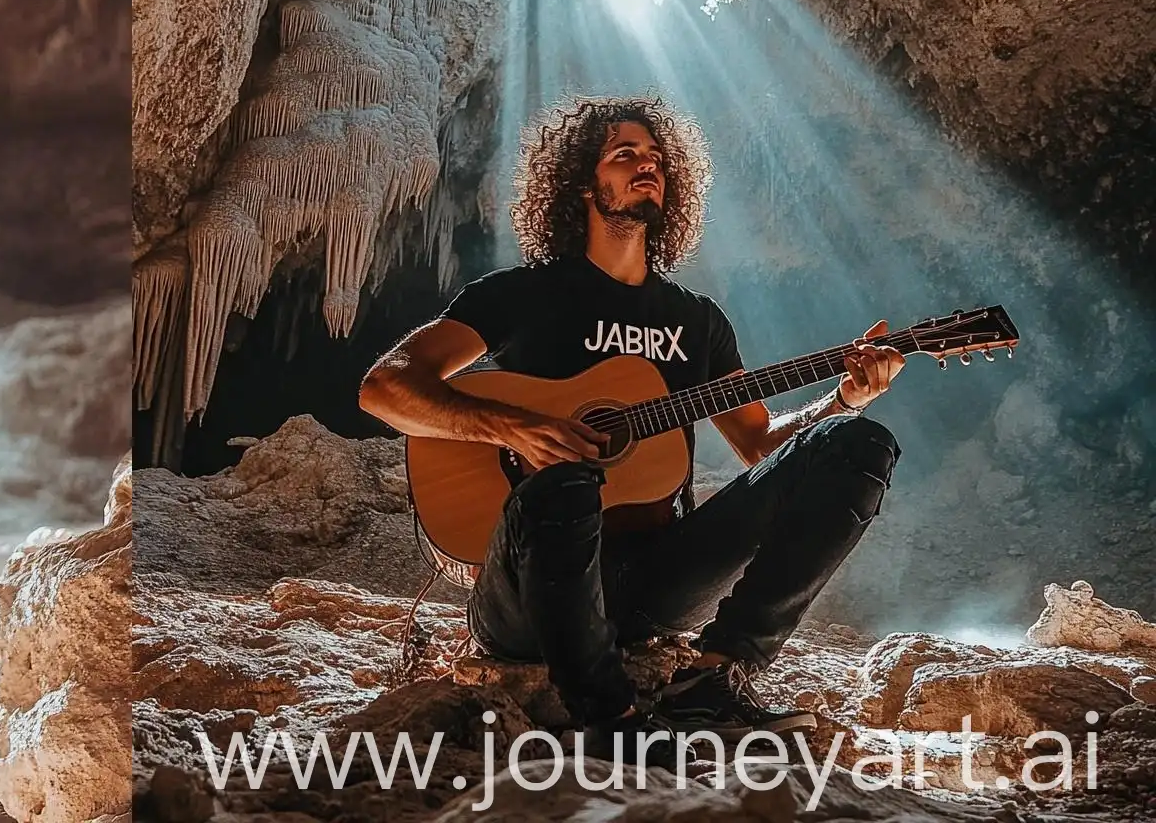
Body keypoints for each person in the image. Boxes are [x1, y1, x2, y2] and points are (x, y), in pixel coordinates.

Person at [358, 96, 903, 744]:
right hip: (531, 591)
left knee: (858, 445)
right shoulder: (519, 296)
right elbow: (385, 387)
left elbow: (759, 444)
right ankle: (610, 720)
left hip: (656, 585)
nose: (648, 165)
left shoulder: (696, 323)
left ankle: (715, 678)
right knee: (565, 481)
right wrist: (512, 428)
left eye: (656, 159)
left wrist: (843, 400)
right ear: (583, 184)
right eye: (625, 155)